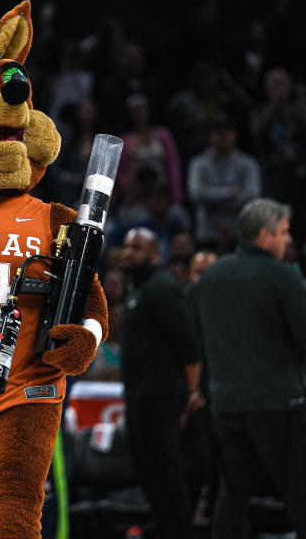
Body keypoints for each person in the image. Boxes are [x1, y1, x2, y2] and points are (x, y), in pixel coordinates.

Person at [195, 198, 306, 539]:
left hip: (226, 406)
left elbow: (199, 338)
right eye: (284, 232)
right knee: (300, 494)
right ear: (264, 236)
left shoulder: (211, 276)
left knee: (232, 496)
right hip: (278, 403)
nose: (288, 240)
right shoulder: (282, 276)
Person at [119, 227, 204, 539]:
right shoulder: (138, 289)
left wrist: (190, 394)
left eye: (137, 248)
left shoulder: (161, 288)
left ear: (155, 254)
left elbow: (190, 349)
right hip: (139, 397)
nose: (128, 253)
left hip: (161, 400)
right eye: (126, 247)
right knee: (149, 475)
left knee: (167, 477)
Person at [186, 114, 261, 250]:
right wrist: (232, 192)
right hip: (208, 233)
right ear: (210, 136)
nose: (222, 137)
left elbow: (252, 196)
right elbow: (197, 195)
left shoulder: (248, 164)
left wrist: (211, 195)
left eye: (227, 132)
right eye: (218, 133)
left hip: (238, 232)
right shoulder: (198, 164)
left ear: (235, 135)